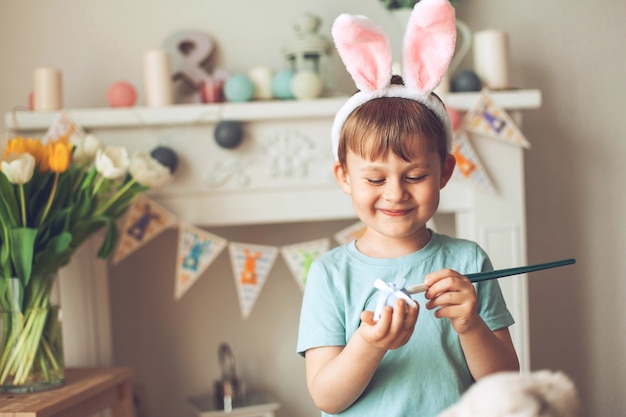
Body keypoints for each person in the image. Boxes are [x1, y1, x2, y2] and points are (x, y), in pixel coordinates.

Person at [296, 1, 519, 416]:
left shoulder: (467, 260)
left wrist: (470, 325)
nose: (395, 194)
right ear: (345, 176)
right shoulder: (329, 274)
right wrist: (370, 343)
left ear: (444, 172)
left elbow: (505, 382)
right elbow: (326, 396)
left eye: (414, 177)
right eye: (375, 180)